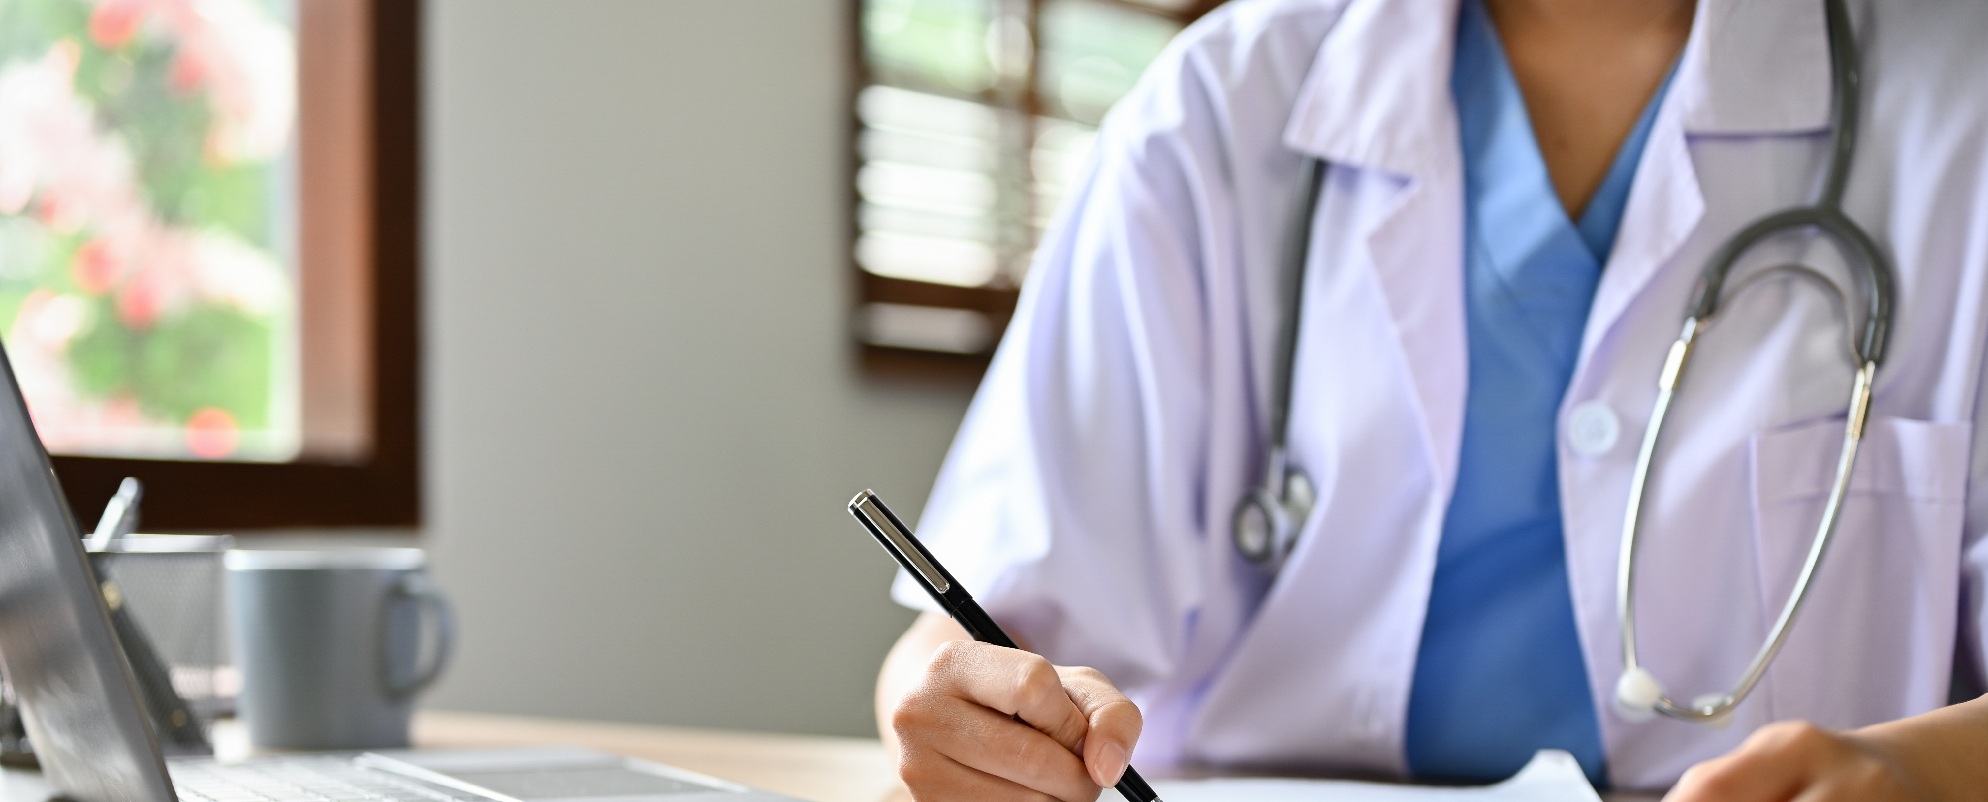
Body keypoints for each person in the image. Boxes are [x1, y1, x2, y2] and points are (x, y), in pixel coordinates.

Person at [873, 0, 1988, 799]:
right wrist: (956, 710)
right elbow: (995, 638)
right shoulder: (1214, 110)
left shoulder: (1959, 107)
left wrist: (1921, 770)